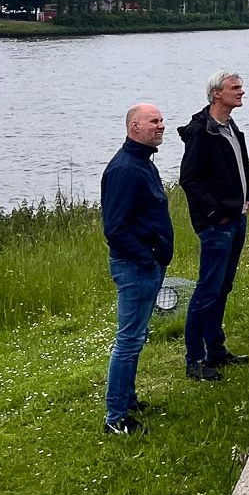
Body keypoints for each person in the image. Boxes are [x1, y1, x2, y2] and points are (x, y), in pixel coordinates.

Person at [99, 103, 175, 436]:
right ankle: (116, 417)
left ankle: (128, 399)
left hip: (148, 264)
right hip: (134, 267)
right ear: (134, 127)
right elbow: (115, 228)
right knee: (128, 340)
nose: (161, 126)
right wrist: (146, 258)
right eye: (153, 121)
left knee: (138, 336)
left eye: (161, 120)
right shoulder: (125, 169)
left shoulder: (143, 162)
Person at [178, 70, 249, 380]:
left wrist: (246, 201)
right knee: (207, 289)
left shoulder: (229, 127)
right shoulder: (202, 132)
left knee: (223, 287)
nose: (242, 92)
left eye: (241, 87)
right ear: (217, 93)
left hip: (237, 219)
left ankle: (216, 349)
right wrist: (217, 212)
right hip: (217, 225)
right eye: (235, 88)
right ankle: (194, 359)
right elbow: (190, 179)